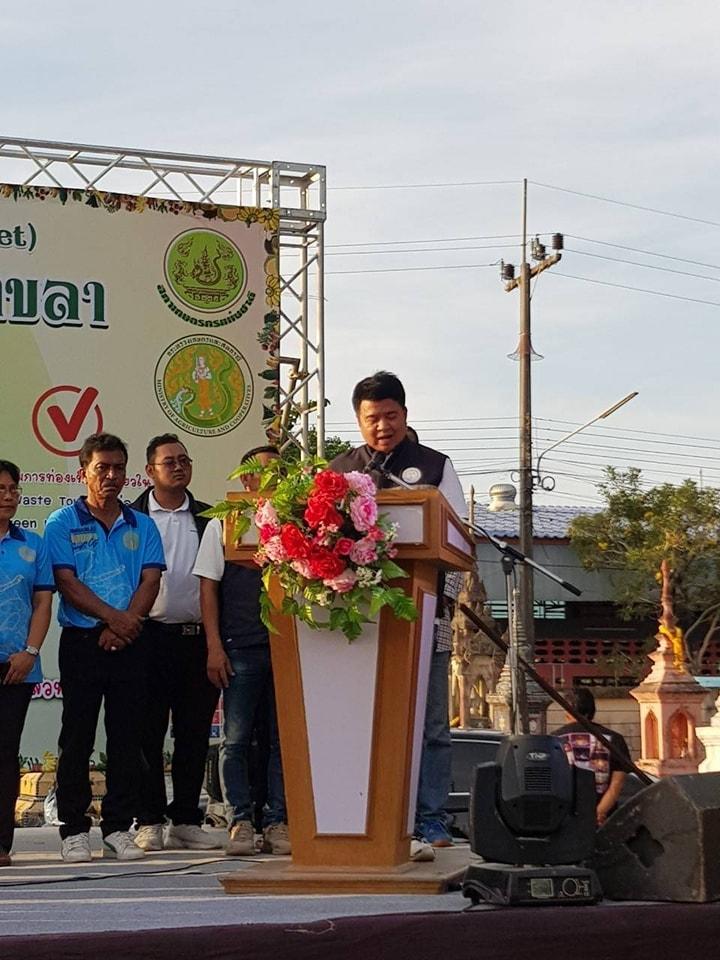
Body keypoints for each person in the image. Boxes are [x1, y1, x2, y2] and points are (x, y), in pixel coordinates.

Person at [330, 372, 467, 858]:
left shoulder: (435, 466)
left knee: (431, 725)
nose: (382, 426)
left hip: (427, 617)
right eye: (372, 418)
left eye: (391, 415)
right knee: (359, 723)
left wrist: (443, 605)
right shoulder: (340, 470)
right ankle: (355, 817)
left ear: (405, 415)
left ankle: (430, 818)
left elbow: (460, 542)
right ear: (358, 421)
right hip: (359, 621)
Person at [45, 433, 165, 862]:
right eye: (102, 468)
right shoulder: (62, 522)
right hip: (82, 642)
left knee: (127, 737)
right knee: (76, 737)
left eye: (118, 467)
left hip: (131, 643)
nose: (112, 475)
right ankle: (74, 829)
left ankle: (117, 827)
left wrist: (125, 625)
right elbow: (67, 582)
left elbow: (151, 580)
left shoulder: (142, 524)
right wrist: (115, 618)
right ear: (84, 472)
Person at [193, 445, 291, 857]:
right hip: (240, 647)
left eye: (278, 473)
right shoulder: (224, 522)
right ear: (246, 479)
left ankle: (278, 821)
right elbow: (208, 587)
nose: (271, 480)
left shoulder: (296, 520)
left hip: (287, 649)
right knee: (235, 740)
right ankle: (240, 821)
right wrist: (214, 646)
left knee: (282, 741)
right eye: (262, 473)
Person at [131, 434, 221, 851]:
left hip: (196, 639)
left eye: (185, 460)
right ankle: (149, 819)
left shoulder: (208, 518)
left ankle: (186, 818)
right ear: (150, 471)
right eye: (169, 461)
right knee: (145, 732)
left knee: (193, 733)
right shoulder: (131, 518)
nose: (179, 466)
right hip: (146, 638)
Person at [0, 460, 54, 867]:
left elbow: (42, 602)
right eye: (0, 489)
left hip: (15, 666)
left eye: (13, 489)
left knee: (5, 753)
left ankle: (2, 842)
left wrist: (31, 652)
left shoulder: (32, 545)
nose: (8, 496)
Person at [552, 687, 632, 826]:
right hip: (604, 821)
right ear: (592, 711)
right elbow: (616, 785)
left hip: (564, 819)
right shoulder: (614, 739)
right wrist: (598, 813)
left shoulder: (554, 740)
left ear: (567, 711)